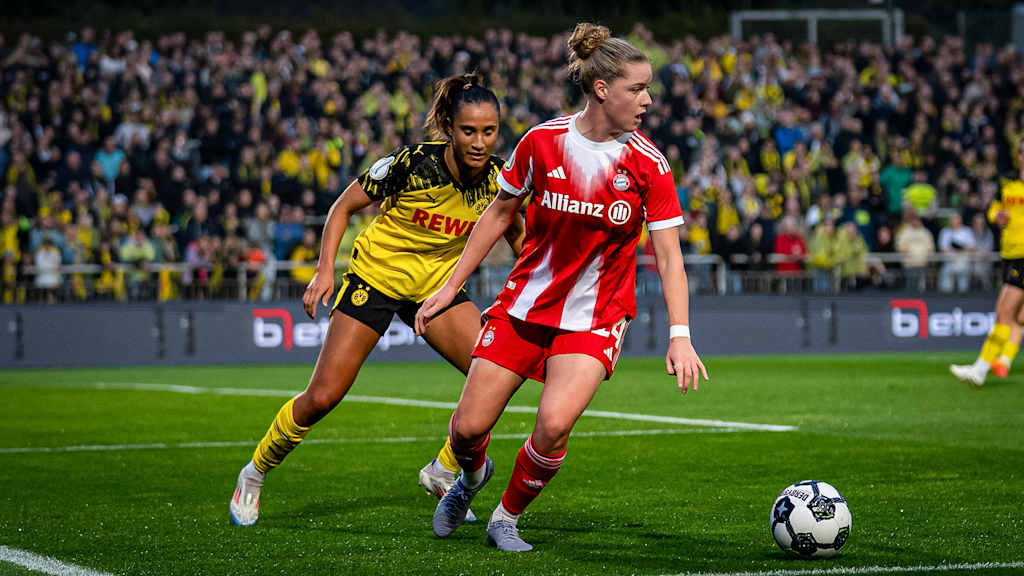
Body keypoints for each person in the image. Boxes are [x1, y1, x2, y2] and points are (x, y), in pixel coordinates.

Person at [414, 23, 708, 552]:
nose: (647, 100)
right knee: (466, 430)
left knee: (552, 425)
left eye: (647, 89)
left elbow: (669, 256)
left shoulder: (650, 165)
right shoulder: (541, 143)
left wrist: (680, 334)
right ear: (601, 89)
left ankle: (505, 517)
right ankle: (470, 478)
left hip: (595, 319)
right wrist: (448, 286)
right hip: (524, 305)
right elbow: (497, 216)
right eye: (636, 89)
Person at [229, 73, 524, 526]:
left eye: (489, 131)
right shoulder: (410, 164)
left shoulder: (499, 180)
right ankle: (254, 473)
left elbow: (520, 236)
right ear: (448, 125)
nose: (480, 142)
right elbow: (341, 208)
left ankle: (443, 469)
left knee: (496, 377)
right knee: (323, 396)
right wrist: (325, 269)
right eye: (469, 131)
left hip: (435, 290)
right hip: (375, 278)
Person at [951, 143, 1024, 385]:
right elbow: (994, 208)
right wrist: (997, 216)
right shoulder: (1007, 182)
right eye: (1022, 152)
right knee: (1017, 316)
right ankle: (1002, 361)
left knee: (1004, 312)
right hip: (1010, 253)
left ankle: (980, 369)